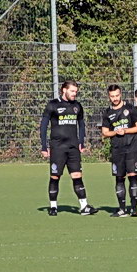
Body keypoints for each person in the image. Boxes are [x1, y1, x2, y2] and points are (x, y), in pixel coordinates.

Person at [38, 79, 97, 215]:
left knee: (77, 176)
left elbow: (81, 125)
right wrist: (43, 146)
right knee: (55, 176)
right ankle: (53, 207)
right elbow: (43, 126)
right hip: (57, 147)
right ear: (64, 90)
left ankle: (84, 206)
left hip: (73, 148)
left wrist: (81, 142)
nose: (74, 94)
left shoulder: (77, 106)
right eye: (72, 91)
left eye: (76, 92)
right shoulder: (52, 105)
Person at [99, 84, 137, 217]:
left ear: (121, 94)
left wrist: (125, 131)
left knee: (132, 176)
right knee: (119, 178)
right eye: (112, 96)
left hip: (132, 148)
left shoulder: (131, 109)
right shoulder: (107, 112)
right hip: (117, 149)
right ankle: (122, 209)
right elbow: (105, 132)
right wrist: (115, 132)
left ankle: (134, 208)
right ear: (109, 96)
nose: (115, 98)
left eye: (117, 95)